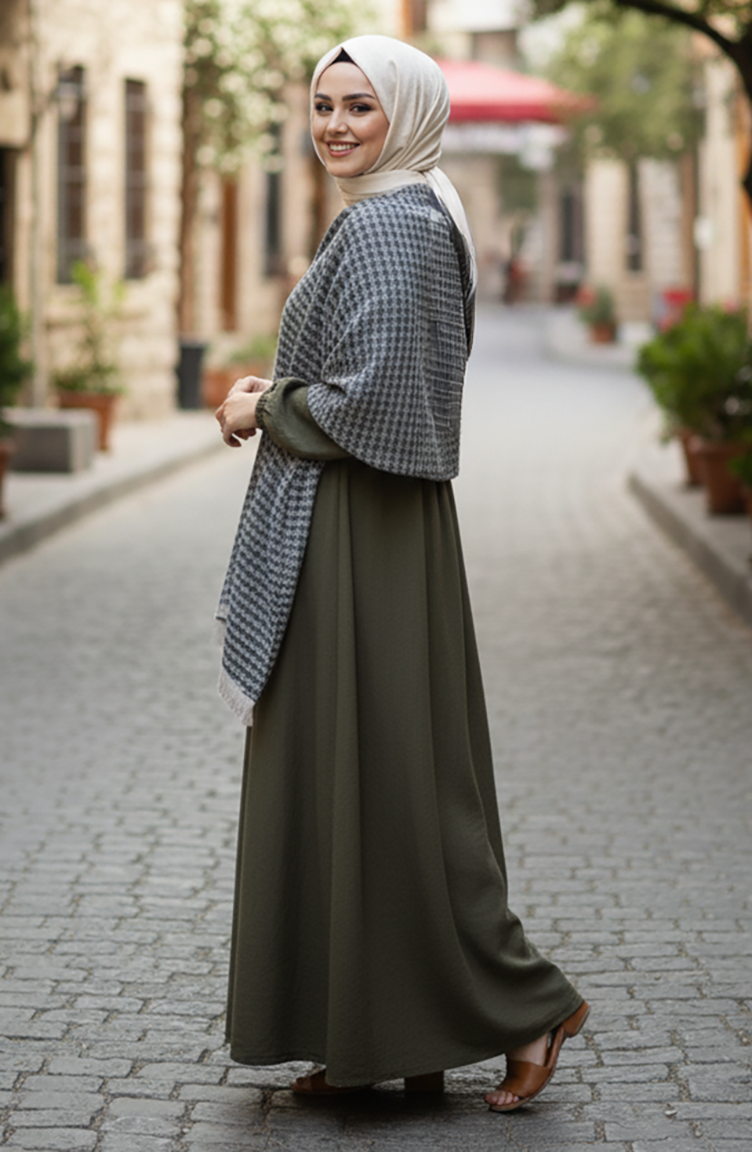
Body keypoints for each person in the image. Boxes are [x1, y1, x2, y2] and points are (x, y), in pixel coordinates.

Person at [214, 34, 589, 1114]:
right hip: (371, 530)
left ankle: (531, 1005)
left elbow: (372, 400)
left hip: (360, 532)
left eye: (359, 107)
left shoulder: (389, 224)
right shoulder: (408, 210)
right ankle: (388, 1037)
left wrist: (262, 406)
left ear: (407, 116)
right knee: (368, 783)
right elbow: (374, 375)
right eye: (323, 105)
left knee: (394, 787)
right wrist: (287, 391)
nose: (334, 126)